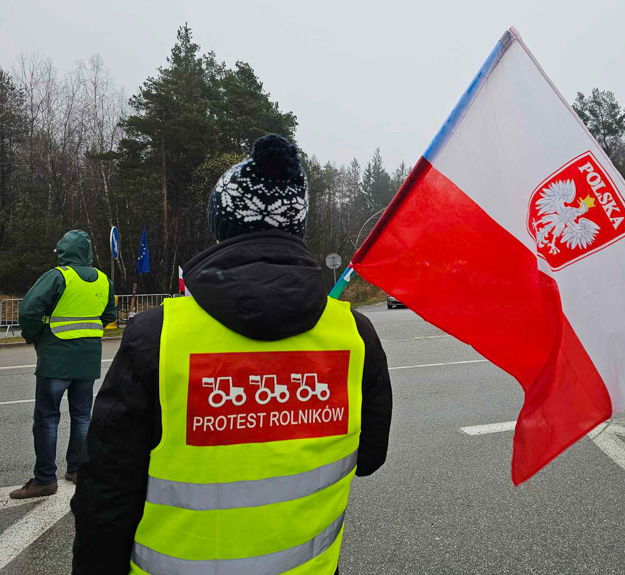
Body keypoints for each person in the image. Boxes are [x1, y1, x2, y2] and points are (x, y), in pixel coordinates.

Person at [71, 134, 393, 575]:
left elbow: (106, 493)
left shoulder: (158, 334)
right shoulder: (354, 333)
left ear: (220, 227)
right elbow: (369, 458)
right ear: (297, 228)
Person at [11, 230, 117, 499]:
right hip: (87, 359)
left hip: (56, 358)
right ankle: (78, 469)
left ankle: (45, 479)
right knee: (82, 416)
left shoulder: (58, 276)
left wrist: (37, 336)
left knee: (47, 418)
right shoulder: (103, 280)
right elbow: (108, 315)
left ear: (63, 253)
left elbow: (28, 310)